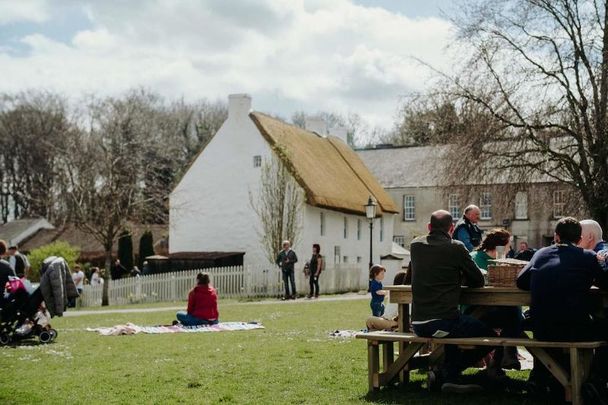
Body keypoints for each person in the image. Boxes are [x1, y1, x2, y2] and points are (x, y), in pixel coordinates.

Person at [517, 217, 608, 397]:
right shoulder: (588, 257)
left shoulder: (540, 254)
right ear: (580, 238)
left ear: (556, 236)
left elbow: (521, 281)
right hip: (574, 329)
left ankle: (544, 378)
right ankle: (596, 381)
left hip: (541, 328)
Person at [411, 210, 496, 394]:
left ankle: (448, 377)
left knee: (455, 324)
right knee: (492, 338)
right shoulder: (456, 247)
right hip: (443, 322)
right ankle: (449, 372)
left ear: (429, 227)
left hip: (417, 323)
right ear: (451, 229)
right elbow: (478, 281)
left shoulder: (415, 245)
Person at [469, 228, 522, 371]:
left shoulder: (504, 263)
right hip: (475, 309)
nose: (510, 248)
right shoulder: (475, 258)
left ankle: (501, 360)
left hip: (497, 308)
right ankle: (505, 357)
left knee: (512, 312)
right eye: (508, 244)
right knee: (514, 315)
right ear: (500, 246)